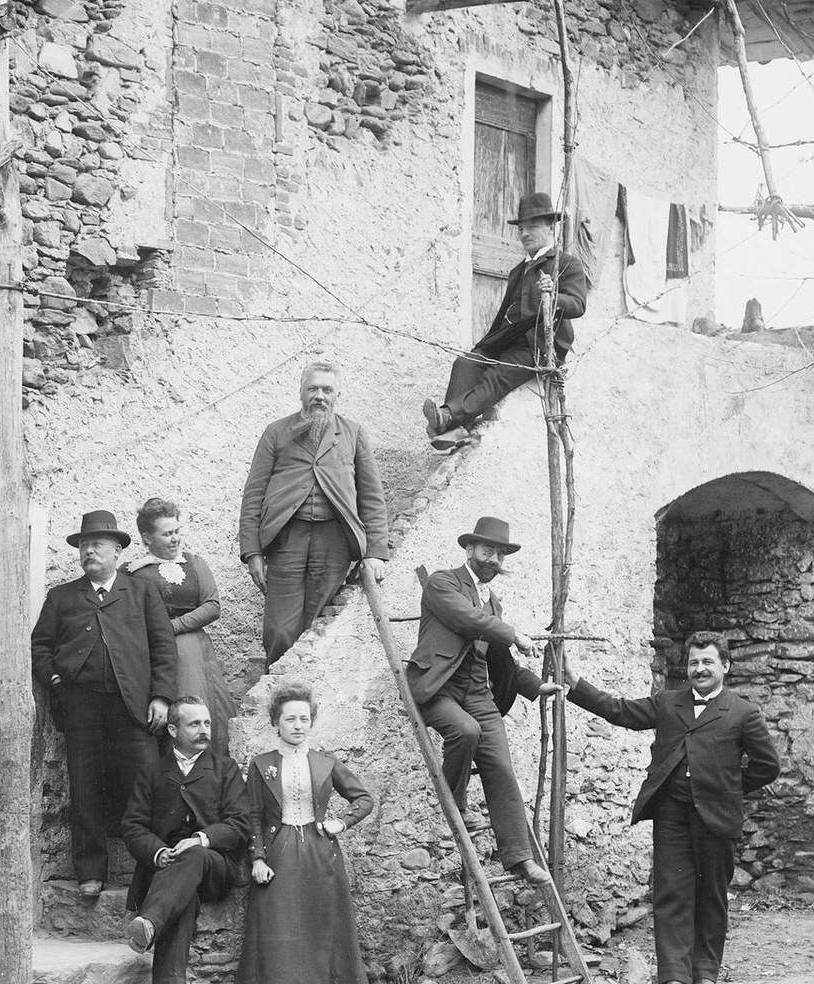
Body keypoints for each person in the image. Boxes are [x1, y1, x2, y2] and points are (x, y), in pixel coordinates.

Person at [563, 633, 780, 984]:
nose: (700, 669)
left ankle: (706, 974)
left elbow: (767, 766)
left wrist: (728, 788)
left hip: (716, 816)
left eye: (708, 662)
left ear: (725, 666)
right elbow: (621, 712)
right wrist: (574, 682)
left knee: (711, 895)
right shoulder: (668, 703)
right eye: (694, 663)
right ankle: (675, 980)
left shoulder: (742, 712)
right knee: (672, 894)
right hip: (671, 815)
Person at [405, 516, 561, 884]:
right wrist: (513, 634)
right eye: (488, 551)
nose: (494, 560)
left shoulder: (493, 601)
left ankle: (520, 857)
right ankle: (454, 805)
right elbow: (466, 619)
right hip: (438, 687)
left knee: (502, 767)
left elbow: (496, 657)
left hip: (478, 692)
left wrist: (534, 686)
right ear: (469, 549)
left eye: (500, 555)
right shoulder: (442, 583)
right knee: (465, 731)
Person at [31, 510, 178, 898]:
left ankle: (152, 868)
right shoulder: (61, 597)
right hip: (81, 707)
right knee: (85, 787)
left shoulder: (142, 592)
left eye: (96, 544)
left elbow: (164, 647)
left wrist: (161, 696)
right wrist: (56, 678)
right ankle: (90, 871)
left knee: (146, 782)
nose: (88, 551)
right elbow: (40, 647)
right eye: (83, 545)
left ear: (116, 551)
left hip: (132, 706)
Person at [232, 684, 380, 984]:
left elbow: (363, 799)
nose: (297, 725)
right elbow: (252, 815)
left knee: (324, 934)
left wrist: (340, 824)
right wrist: (258, 858)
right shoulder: (262, 764)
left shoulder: (325, 762)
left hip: (320, 854)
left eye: (304, 718)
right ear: (276, 723)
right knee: (279, 937)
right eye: (290, 719)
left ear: (311, 721)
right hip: (279, 854)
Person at [237, 361, 390, 667]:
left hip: (334, 541)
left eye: (327, 390)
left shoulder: (353, 433)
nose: (320, 396)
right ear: (301, 393)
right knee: (280, 630)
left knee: (319, 626)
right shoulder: (276, 433)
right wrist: (252, 552)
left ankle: (308, 705)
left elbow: (372, 498)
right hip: (286, 540)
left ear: (337, 395)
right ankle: (280, 700)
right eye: (313, 389)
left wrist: (375, 553)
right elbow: (253, 494)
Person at [422, 193, 590, 452]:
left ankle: (446, 418)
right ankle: (456, 429)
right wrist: (485, 346)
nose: (524, 233)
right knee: (467, 361)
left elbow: (578, 305)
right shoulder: (518, 270)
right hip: (511, 338)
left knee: (497, 374)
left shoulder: (566, 264)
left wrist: (554, 295)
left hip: (540, 344)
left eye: (532, 227)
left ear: (550, 227)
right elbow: (503, 315)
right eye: (521, 228)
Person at [119, 697, 253, 984]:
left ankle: (149, 922)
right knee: (183, 896)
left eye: (207, 723)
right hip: (167, 870)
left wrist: (201, 840)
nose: (204, 730)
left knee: (193, 860)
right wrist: (158, 852)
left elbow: (241, 823)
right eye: (195, 724)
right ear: (173, 729)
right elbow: (133, 825)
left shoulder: (225, 769)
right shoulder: (153, 771)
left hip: (214, 866)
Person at [126, 498, 236, 738]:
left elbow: (212, 606)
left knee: (194, 709)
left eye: (177, 531)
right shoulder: (132, 571)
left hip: (191, 649)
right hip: (151, 652)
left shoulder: (195, 563)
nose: (175, 538)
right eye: (167, 534)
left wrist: (172, 627)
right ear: (147, 538)